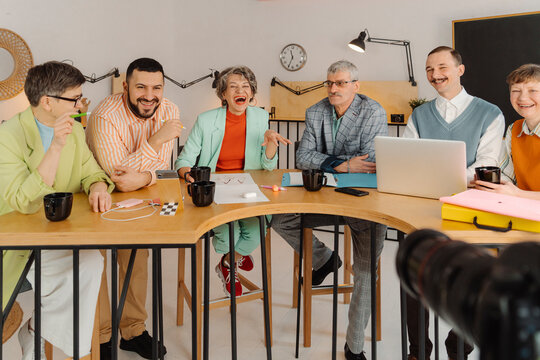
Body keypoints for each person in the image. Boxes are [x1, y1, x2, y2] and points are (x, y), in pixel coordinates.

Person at [271, 60, 388, 360]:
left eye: (341, 83)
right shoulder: (315, 111)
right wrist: (344, 163)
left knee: (365, 270)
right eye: (330, 83)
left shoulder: (372, 111)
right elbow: (302, 157)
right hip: (324, 196)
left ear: (355, 86)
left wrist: (328, 161)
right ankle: (325, 259)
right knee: (280, 218)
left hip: (363, 200)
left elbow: (372, 161)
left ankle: (354, 346)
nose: (333, 88)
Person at [0, 61, 114, 359]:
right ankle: (42, 339)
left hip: (63, 232)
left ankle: (39, 330)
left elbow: (92, 172)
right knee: (77, 270)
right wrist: (55, 147)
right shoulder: (7, 136)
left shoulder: (74, 131)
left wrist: (99, 186)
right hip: (21, 240)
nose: (80, 104)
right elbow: (22, 202)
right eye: (74, 98)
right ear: (47, 101)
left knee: (91, 263)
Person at [402, 46, 505, 360]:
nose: (435, 75)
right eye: (429, 69)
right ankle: (419, 351)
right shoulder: (419, 115)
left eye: (442, 67)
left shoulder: (491, 113)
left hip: (473, 214)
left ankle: (459, 344)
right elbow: (407, 157)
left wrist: (438, 176)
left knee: (473, 280)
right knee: (414, 271)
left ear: (461, 69)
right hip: (426, 209)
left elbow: (487, 166)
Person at [86, 57, 181, 359]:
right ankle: (101, 337)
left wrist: (142, 176)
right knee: (96, 264)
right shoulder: (105, 113)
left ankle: (133, 331)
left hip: (144, 193)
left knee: (137, 258)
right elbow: (115, 175)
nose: (149, 95)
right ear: (126, 86)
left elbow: (163, 170)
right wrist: (157, 139)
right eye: (141, 86)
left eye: (157, 87)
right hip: (97, 194)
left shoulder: (170, 110)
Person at [176, 65, 290, 296]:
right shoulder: (206, 120)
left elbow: (267, 166)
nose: (241, 91)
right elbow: (184, 159)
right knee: (229, 236)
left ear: (251, 93)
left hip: (249, 187)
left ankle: (227, 264)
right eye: (234, 87)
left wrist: (270, 142)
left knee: (257, 231)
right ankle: (235, 257)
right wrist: (189, 175)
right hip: (216, 189)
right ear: (224, 94)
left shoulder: (260, 116)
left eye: (246, 86)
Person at [475, 63, 540, 200]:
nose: (522, 98)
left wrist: (517, 194)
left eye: (532, 90)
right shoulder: (513, 129)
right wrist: (493, 185)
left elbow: (516, 192)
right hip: (522, 209)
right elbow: (509, 176)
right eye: (516, 91)